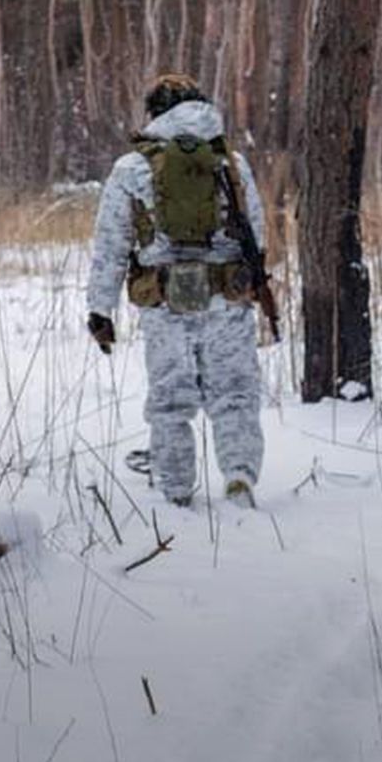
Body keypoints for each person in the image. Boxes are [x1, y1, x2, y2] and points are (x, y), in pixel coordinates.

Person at [86, 74, 271, 508]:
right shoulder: (231, 163)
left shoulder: (131, 167)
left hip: (165, 298)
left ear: (155, 112)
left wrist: (101, 309)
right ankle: (240, 478)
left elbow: (111, 246)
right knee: (235, 392)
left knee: (170, 399)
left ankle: (175, 490)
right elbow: (256, 234)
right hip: (227, 295)